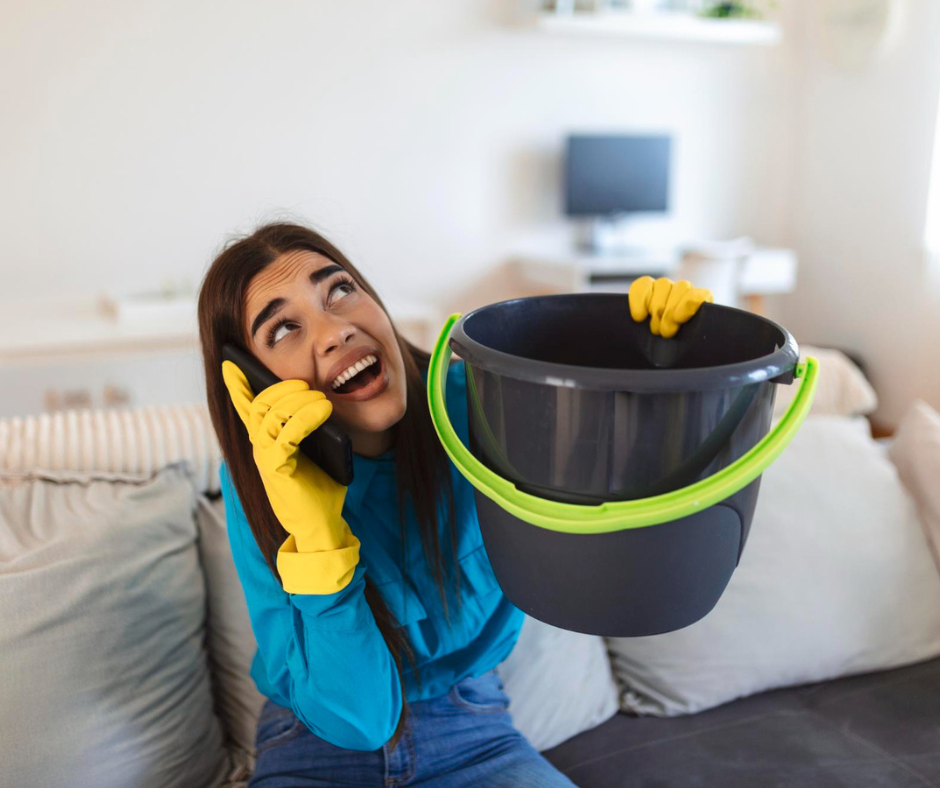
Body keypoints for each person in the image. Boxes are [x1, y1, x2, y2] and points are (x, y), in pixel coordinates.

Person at [197, 221, 712, 787]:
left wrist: (663, 361)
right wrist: (319, 540)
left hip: (470, 728)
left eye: (339, 290)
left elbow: (630, 513)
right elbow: (362, 721)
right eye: (284, 328)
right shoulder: (262, 487)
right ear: (253, 381)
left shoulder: (489, 409)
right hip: (317, 741)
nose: (334, 331)